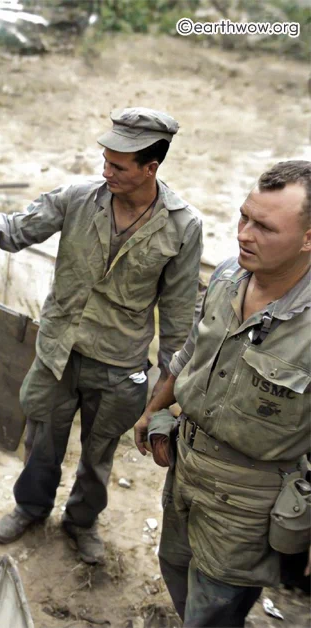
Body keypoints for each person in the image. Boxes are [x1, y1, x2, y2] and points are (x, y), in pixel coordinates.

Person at [0, 108, 203, 564]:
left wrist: (167, 388)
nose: (106, 172)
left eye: (118, 166)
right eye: (105, 160)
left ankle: (81, 522)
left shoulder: (183, 226)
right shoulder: (79, 199)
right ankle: (31, 507)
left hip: (119, 366)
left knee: (98, 458)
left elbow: (178, 315)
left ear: (151, 167)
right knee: (41, 442)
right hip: (58, 352)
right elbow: (17, 230)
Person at [134, 160, 311, 627]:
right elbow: (193, 350)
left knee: (213, 607)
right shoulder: (230, 275)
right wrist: (153, 409)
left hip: (249, 500)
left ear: (309, 238)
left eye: (265, 227)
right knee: (174, 565)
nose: (244, 234)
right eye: (244, 217)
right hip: (185, 463)